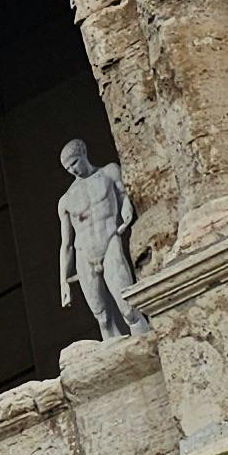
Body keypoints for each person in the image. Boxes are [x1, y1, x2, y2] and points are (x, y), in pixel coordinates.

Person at [56, 143, 147, 338]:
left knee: (129, 308)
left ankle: (150, 346)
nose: (73, 170)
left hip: (110, 243)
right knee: (103, 318)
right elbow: (66, 244)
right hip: (84, 255)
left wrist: (127, 211)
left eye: (74, 163)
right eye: (68, 168)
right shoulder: (66, 199)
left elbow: (124, 198)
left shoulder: (109, 172)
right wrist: (63, 281)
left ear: (83, 153)